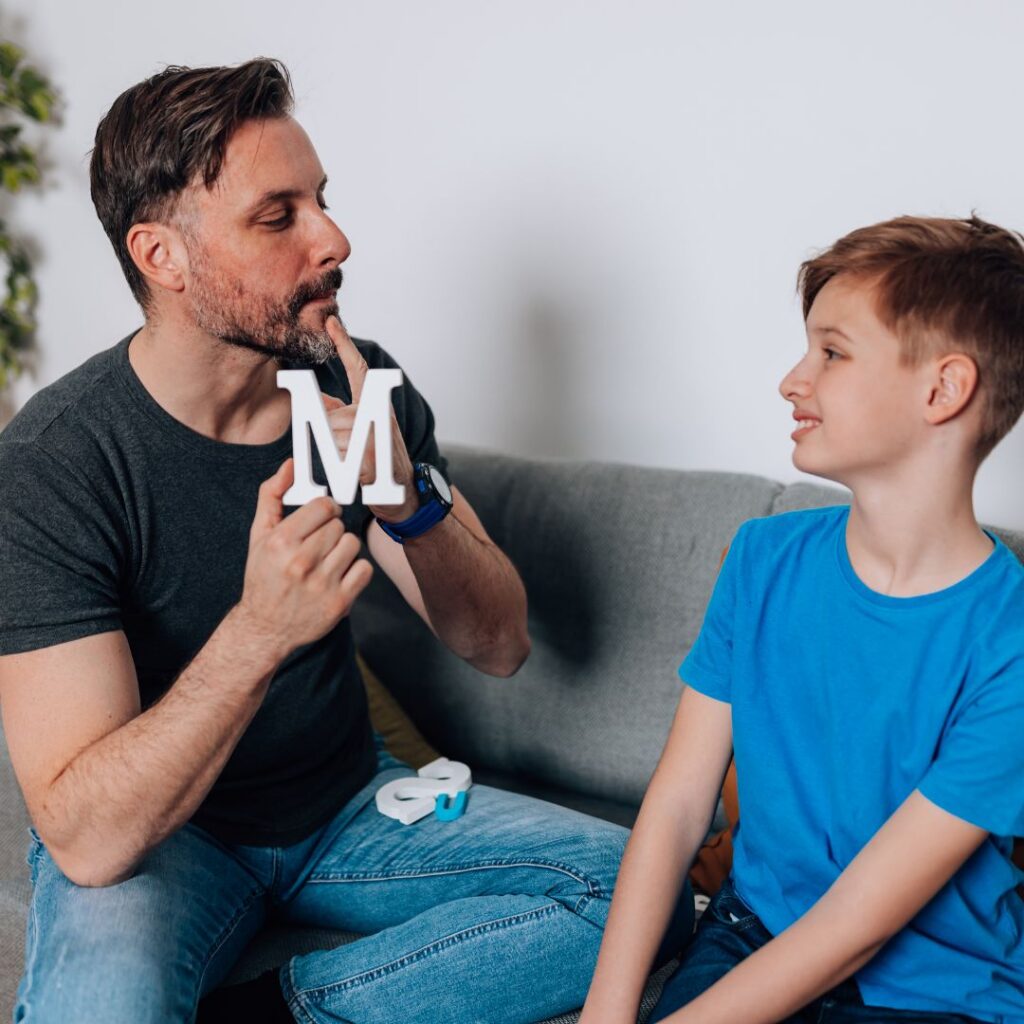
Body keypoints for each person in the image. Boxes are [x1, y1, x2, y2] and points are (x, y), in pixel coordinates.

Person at [0, 58, 691, 1024]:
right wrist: (258, 632)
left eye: (320, 200)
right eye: (277, 217)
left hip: (346, 808)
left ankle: (284, 1010)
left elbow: (499, 645)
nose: (334, 238)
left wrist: (405, 496)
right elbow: (84, 839)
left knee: (643, 896)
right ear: (161, 256)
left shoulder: (360, 388)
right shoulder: (56, 462)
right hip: (166, 838)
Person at [579, 215, 1024, 1024]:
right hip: (752, 935)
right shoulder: (762, 560)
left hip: (935, 992)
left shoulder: (1011, 643)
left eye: (833, 352)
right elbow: (679, 804)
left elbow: (855, 927)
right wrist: (607, 1015)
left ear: (943, 389)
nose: (793, 379)